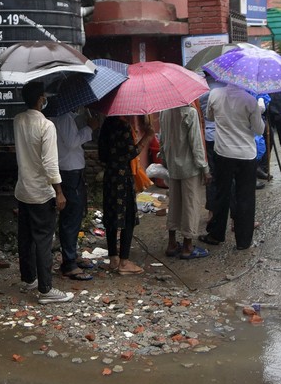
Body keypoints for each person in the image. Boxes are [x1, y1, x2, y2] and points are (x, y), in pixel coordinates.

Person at [13, 81, 73, 304]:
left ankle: (29, 278)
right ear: (40, 99)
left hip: (23, 190)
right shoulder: (46, 126)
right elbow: (50, 163)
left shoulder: (18, 120)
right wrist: (59, 191)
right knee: (43, 241)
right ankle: (46, 289)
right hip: (41, 192)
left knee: (26, 237)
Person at [204, 80, 265, 250]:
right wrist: (259, 110)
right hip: (246, 155)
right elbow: (259, 130)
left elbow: (209, 117)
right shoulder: (250, 101)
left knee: (222, 194)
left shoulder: (214, 94)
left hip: (223, 152)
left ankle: (216, 235)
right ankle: (243, 241)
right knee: (245, 197)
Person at [97, 114, 151, 275]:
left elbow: (102, 155)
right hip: (123, 177)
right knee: (127, 217)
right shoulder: (123, 126)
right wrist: (146, 138)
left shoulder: (106, 125)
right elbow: (130, 153)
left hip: (110, 176)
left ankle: (113, 258)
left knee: (111, 216)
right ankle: (124, 262)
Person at [160, 103, 210, 260]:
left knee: (174, 203)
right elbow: (196, 144)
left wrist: (164, 158)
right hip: (190, 168)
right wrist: (205, 169)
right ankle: (188, 246)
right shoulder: (189, 112)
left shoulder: (164, 111)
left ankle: (172, 243)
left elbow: (162, 139)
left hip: (173, 166)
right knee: (190, 204)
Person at [53, 108, 98, 281]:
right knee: (71, 217)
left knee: (76, 215)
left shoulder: (68, 117)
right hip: (69, 170)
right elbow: (72, 142)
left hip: (73, 169)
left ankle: (72, 255)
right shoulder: (63, 117)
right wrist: (89, 128)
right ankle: (69, 262)